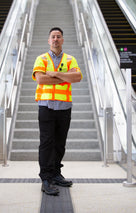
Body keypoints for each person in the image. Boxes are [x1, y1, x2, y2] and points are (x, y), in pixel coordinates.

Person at [32, 27, 82, 196]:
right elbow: (40, 79)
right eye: (53, 37)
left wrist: (53, 74)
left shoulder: (70, 59)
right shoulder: (41, 58)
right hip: (46, 107)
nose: (55, 39)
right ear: (48, 40)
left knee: (60, 143)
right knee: (46, 143)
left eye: (58, 37)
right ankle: (46, 178)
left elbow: (77, 77)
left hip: (64, 107)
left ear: (62, 40)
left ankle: (55, 173)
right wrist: (64, 76)